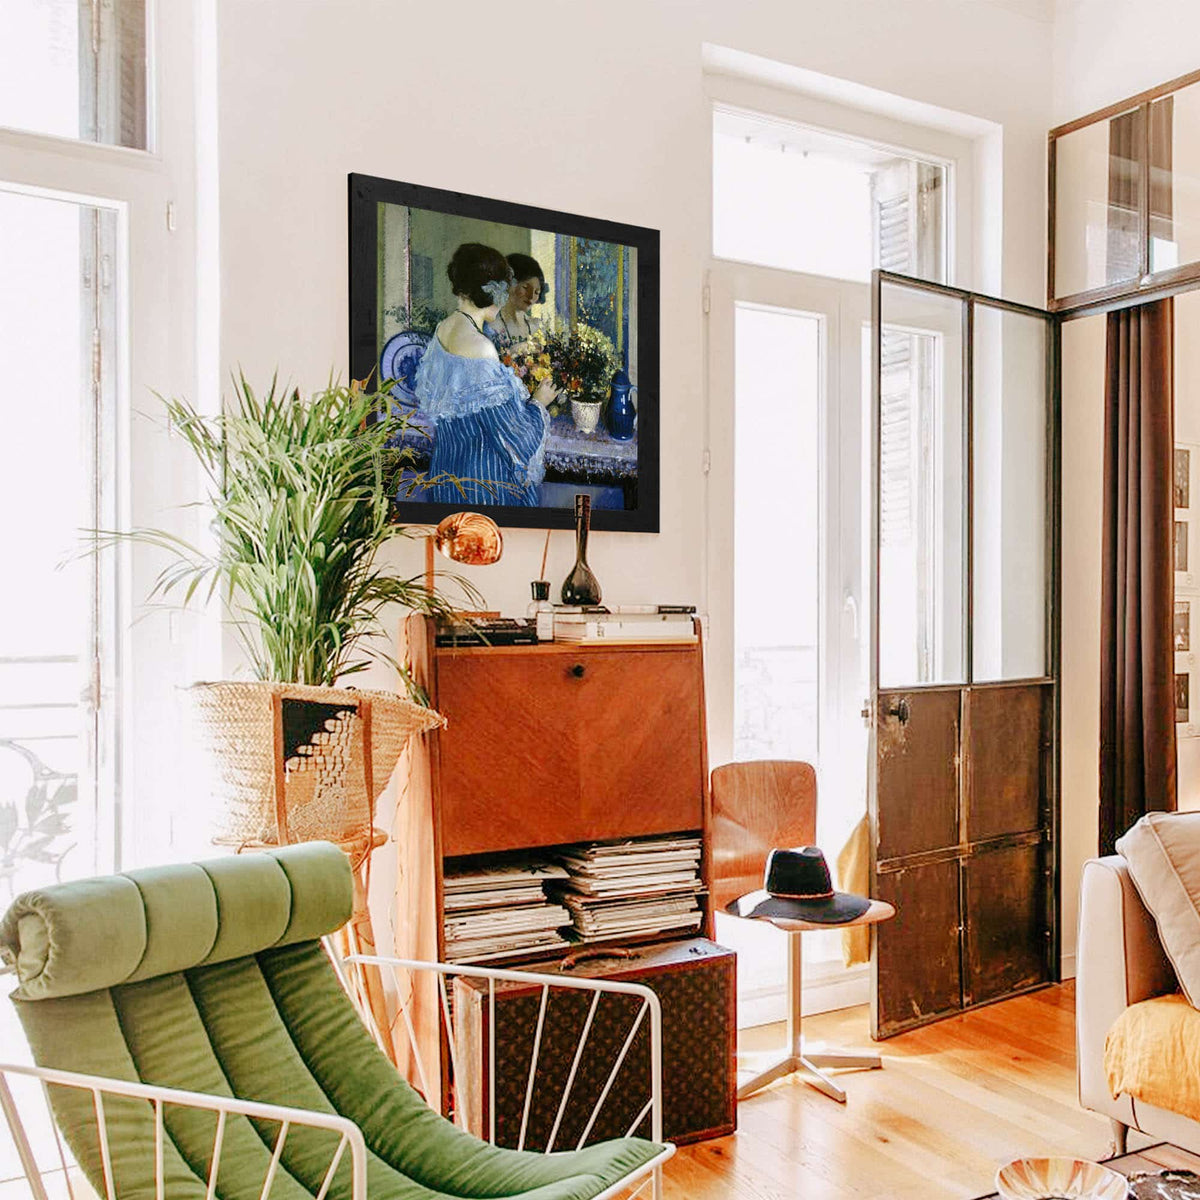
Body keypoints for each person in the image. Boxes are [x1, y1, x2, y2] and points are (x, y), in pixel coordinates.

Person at [413, 243, 554, 506]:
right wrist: (539, 402)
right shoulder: (481, 347)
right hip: (483, 486)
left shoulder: (445, 328)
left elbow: (469, 398)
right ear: (493, 291)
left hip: (448, 475)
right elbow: (515, 435)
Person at [486, 252, 549, 350]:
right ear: (509, 284)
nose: (531, 296)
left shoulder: (538, 327)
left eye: (537, 292)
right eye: (525, 287)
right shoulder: (492, 327)